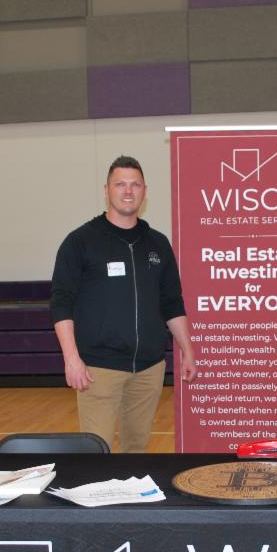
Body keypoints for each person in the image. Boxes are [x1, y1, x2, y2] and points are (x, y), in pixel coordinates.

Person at [50, 155, 198, 452]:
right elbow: (61, 303)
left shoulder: (158, 244)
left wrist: (188, 351)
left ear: (145, 191)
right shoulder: (80, 241)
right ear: (107, 190)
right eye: (120, 184)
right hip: (99, 369)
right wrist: (71, 359)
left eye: (135, 185)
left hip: (149, 368)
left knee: (136, 450)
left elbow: (172, 302)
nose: (128, 191)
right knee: (97, 452)